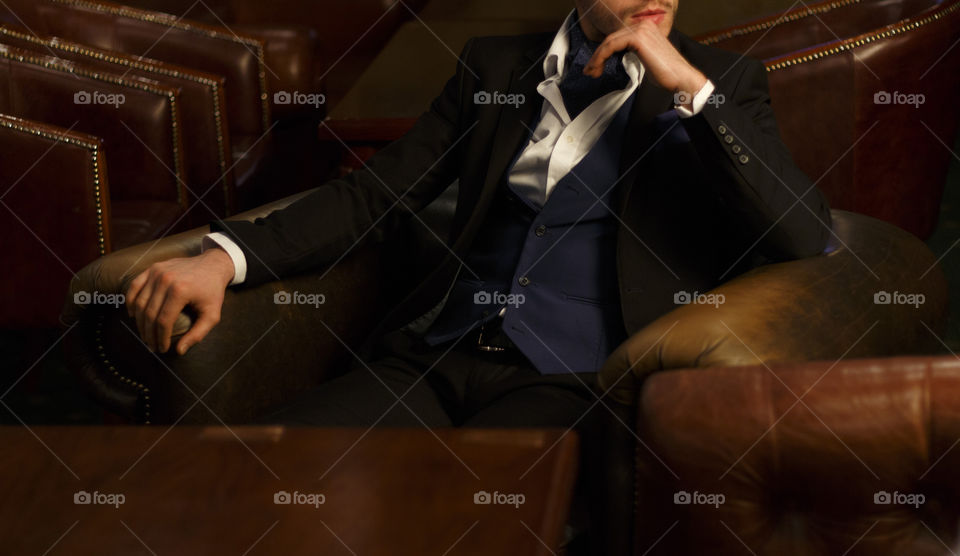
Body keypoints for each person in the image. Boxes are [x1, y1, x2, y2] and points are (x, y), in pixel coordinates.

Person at [125, 1, 831, 552]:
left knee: (450, 522)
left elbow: (804, 233)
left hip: (577, 384)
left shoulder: (724, 82)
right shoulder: (494, 69)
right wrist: (223, 257)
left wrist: (692, 93)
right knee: (236, 481)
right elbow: (375, 195)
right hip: (434, 358)